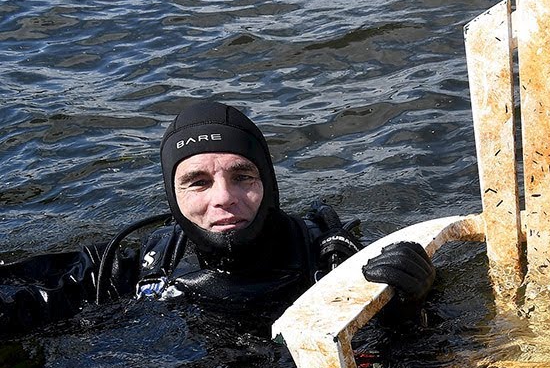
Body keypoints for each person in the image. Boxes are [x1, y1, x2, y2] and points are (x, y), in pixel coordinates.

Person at [0, 100, 433, 334]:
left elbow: (421, 353)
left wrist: (412, 302)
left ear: (269, 183)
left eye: (242, 176)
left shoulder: (329, 258)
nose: (224, 198)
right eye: (198, 182)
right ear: (172, 195)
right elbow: (36, 292)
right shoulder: (143, 266)